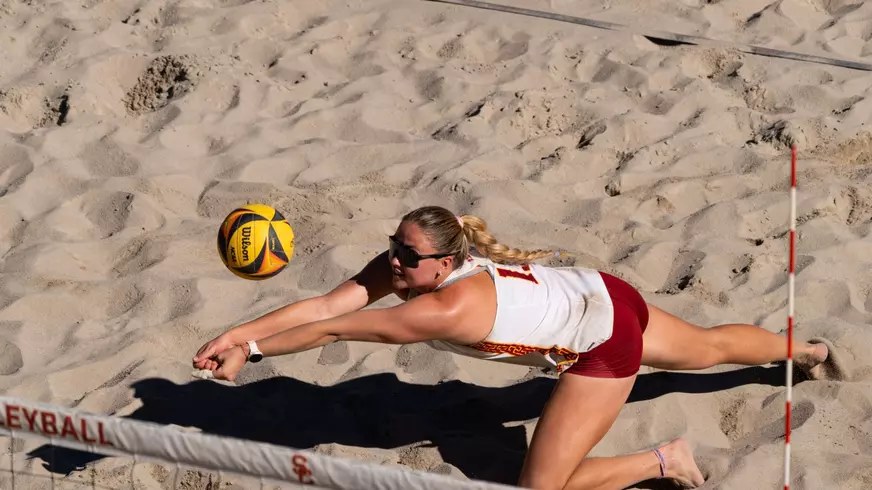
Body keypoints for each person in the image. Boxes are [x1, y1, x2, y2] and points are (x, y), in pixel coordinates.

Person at [192, 205, 831, 490]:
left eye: (408, 255)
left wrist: (258, 352)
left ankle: (663, 459)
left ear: (445, 261)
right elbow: (329, 305)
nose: (394, 260)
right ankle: (804, 350)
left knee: (541, 487)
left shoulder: (438, 308)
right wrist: (237, 336)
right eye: (394, 245)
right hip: (604, 292)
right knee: (708, 347)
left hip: (604, 342)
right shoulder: (419, 267)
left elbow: (332, 330)